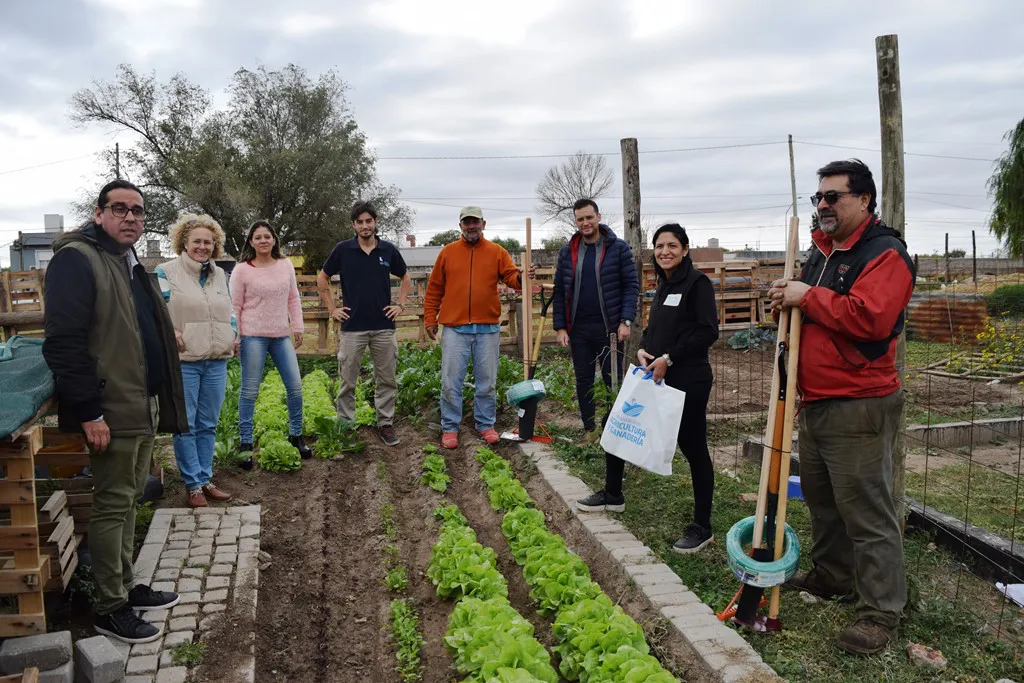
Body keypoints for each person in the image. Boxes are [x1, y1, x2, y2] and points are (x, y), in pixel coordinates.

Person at [769, 159, 915, 655]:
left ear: (865, 200)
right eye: (819, 198)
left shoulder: (884, 254)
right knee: (824, 497)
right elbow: (814, 308)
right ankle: (833, 575)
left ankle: (879, 612)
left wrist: (807, 297)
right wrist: (786, 303)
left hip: (860, 400)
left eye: (834, 196)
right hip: (816, 399)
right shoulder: (822, 251)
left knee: (867, 510)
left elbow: (870, 319)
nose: (824, 205)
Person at [43, 179, 187, 643]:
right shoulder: (77, 260)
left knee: (127, 502)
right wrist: (88, 410)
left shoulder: (125, 261)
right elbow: (63, 342)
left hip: (137, 402)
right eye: (120, 209)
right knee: (111, 506)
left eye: (139, 211)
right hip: (109, 407)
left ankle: (125, 585)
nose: (131, 217)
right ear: (99, 212)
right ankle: (109, 607)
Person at [576, 224, 720, 554]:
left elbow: (707, 332)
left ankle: (702, 526)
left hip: (688, 379)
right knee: (615, 421)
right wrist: (643, 348)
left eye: (671, 245)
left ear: (685, 249)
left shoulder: (697, 285)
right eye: (659, 246)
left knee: (693, 447)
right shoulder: (664, 285)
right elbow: (655, 329)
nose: (664, 251)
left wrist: (670, 357)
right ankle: (613, 494)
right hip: (653, 375)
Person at [423, 206, 523, 449]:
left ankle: (485, 423)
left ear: (483, 224)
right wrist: (429, 318)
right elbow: (434, 288)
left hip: (487, 329)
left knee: (487, 381)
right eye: (466, 222)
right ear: (460, 226)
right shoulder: (448, 253)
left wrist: (522, 277)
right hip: (455, 329)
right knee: (450, 381)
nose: (471, 226)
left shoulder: (497, 252)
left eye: (475, 222)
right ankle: (450, 427)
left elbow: (512, 277)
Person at [156, 213, 237, 507]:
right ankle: (192, 486)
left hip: (217, 358)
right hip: (185, 359)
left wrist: (234, 333)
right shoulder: (167, 271)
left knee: (208, 423)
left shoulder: (219, 274)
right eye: (197, 241)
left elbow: (229, 310)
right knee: (186, 424)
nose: (203, 246)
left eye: (208, 241)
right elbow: (160, 310)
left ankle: (206, 479)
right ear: (184, 243)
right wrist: (172, 330)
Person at [317, 201, 411, 446]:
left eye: (369, 221)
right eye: (360, 222)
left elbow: (405, 277)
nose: (365, 225)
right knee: (348, 379)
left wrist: (400, 304)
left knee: (386, 378)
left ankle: (386, 424)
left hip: (383, 326)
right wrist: (332, 309)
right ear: (354, 225)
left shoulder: (388, 250)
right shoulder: (343, 250)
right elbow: (322, 278)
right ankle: (346, 424)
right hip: (352, 328)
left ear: (375, 222)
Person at [552, 199, 640, 437]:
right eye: (580, 219)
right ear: (576, 221)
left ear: (598, 217)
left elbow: (631, 286)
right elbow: (559, 291)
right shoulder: (567, 251)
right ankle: (589, 429)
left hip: (610, 328)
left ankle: (612, 428)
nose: (585, 223)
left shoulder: (617, 248)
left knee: (613, 380)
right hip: (579, 329)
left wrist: (626, 320)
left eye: (589, 217)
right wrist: (560, 326)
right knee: (584, 380)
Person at [230, 220, 311, 463]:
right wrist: (235, 335)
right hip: (252, 335)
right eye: (258, 237)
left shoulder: (285, 265)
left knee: (295, 387)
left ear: (274, 240)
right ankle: (246, 443)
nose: (263, 240)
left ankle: (296, 435)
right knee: (249, 391)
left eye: (267, 236)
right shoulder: (242, 270)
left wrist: (297, 326)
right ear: (251, 242)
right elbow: (234, 306)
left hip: (280, 336)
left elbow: (294, 298)